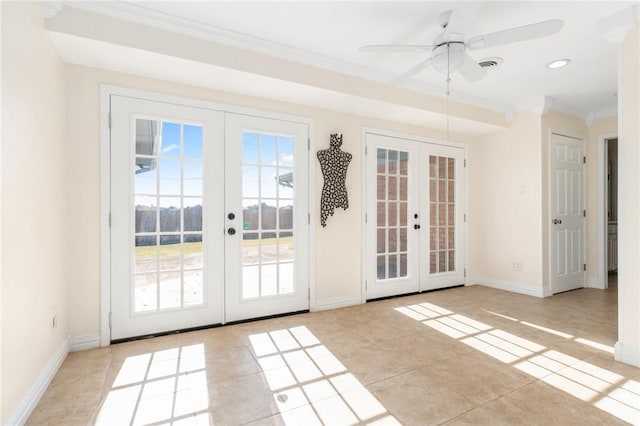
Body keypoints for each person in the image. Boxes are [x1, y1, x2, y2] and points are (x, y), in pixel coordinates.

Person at [317, 134, 352, 227]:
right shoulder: (347, 156)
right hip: (337, 189)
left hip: (330, 189)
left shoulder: (322, 154)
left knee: (342, 220)